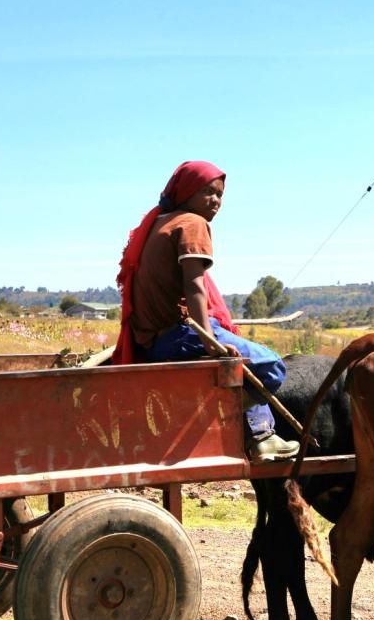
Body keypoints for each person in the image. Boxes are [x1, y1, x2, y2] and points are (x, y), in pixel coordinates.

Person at [110, 160, 299, 461]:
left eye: (220, 195)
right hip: (180, 334)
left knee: (242, 363)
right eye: (207, 192)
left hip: (154, 340)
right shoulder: (192, 223)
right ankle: (216, 416)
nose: (215, 201)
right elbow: (194, 286)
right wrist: (211, 341)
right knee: (272, 366)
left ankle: (263, 439)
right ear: (186, 192)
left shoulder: (159, 223)